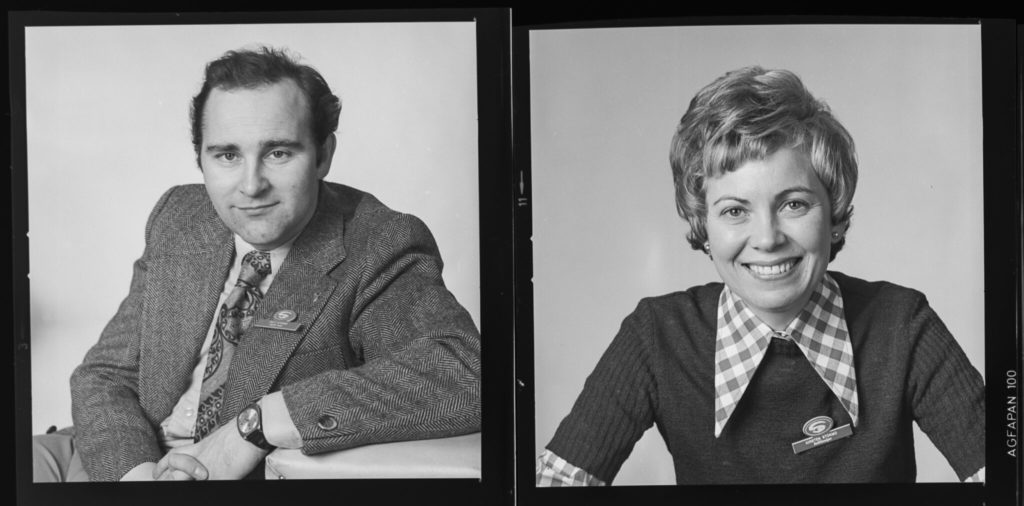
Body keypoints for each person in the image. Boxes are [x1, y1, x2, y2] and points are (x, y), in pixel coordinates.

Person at [32, 46, 481, 481]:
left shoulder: (377, 242)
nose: (251, 185)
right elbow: (106, 375)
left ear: (323, 154)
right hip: (124, 457)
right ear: (200, 159)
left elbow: (464, 374)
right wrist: (136, 477)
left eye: (278, 152)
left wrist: (257, 425)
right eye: (227, 155)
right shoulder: (180, 217)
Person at [536, 66, 985, 485]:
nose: (767, 239)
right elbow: (552, 486)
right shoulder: (657, 336)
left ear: (833, 215)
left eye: (794, 204)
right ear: (703, 228)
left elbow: (1009, 479)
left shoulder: (902, 323)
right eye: (735, 210)